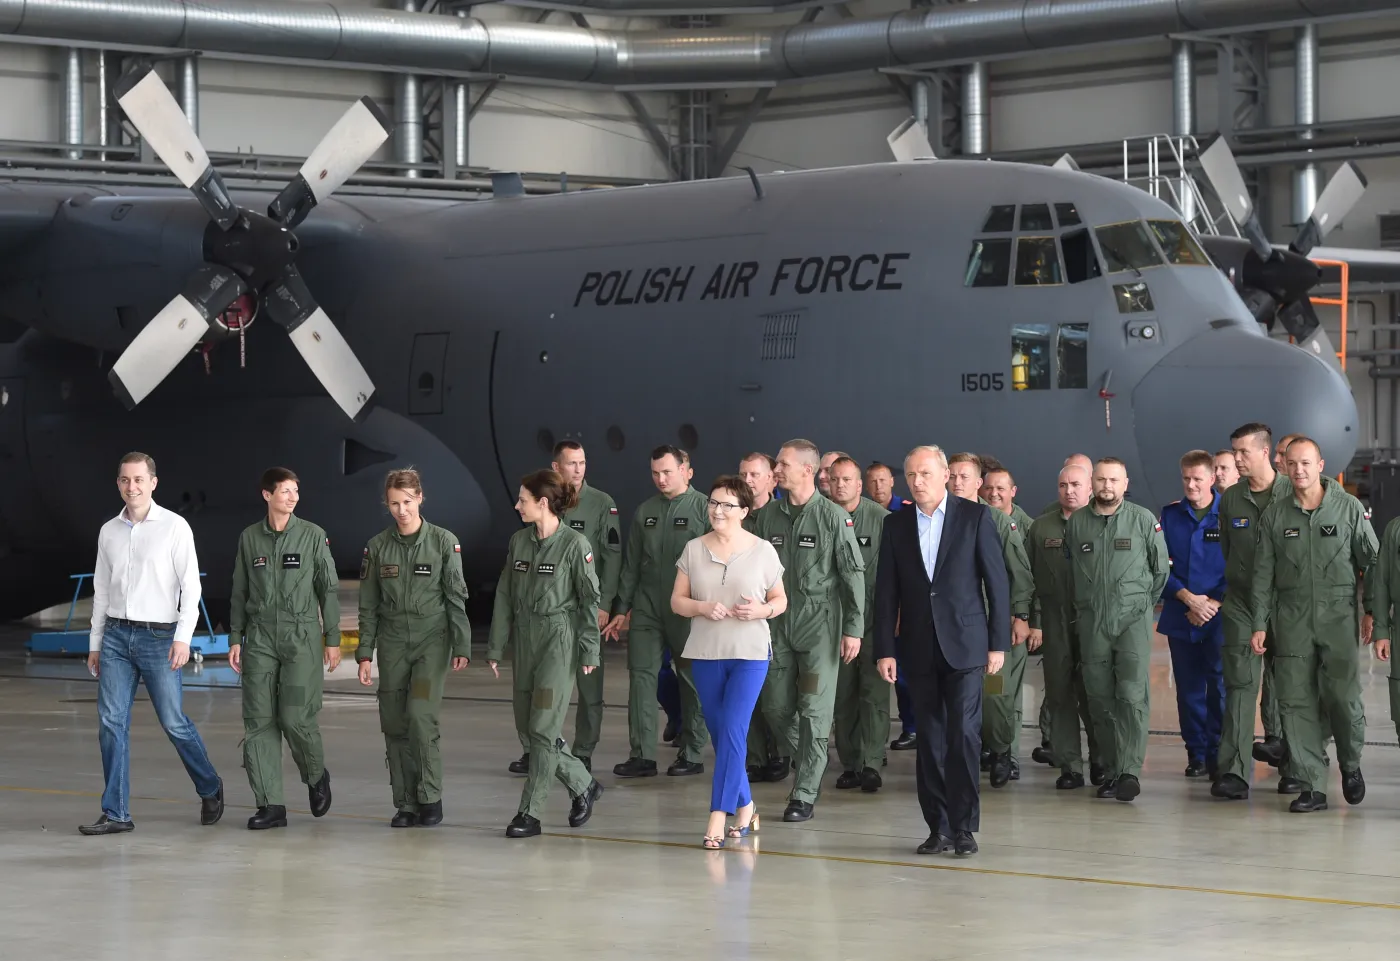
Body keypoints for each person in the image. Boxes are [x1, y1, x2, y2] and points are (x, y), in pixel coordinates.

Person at [874, 445, 1009, 857]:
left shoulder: (976, 517)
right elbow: (886, 593)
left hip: (966, 646)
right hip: (917, 648)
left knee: (963, 735)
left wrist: (997, 642)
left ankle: (965, 827)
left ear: (946, 474)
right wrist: (885, 649)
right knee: (929, 740)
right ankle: (939, 826)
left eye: (925, 474)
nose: (917, 481)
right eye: (911, 475)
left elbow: (997, 584)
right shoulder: (895, 525)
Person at [80, 452, 224, 835]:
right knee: (110, 722)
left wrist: (182, 638)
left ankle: (210, 786)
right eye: (126, 480)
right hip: (115, 636)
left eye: (139, 480)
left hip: (160, 638)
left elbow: (191, 587)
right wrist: (95, 642)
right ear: (118, 484)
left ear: (153, 483)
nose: (132, 487)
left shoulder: (175, 527)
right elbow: (100, 590)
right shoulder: (108, 531)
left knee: (173, 722)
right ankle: (116, 813)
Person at [1248, 437, 1375, 813]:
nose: (1299, 470)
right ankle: (1312, 784)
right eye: (1292, 464)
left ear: (1321, 465)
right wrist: (1259, 622)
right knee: (1295, 703)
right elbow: (1262, 575)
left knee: (1344, 700)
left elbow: (1374, 561)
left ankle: (1350, 766)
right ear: (1284, 467)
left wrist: (1372, 612)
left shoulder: (1348, 508)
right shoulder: (1275, 516)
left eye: (1306, 463)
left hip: (1338, 621)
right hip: (1291, 621)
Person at [487, 470, 606, 838]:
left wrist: (589, 648)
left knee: (542, 728)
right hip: (525, 638)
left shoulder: (575, 545)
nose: (517, 505)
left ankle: (530, 812)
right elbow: (505, 594)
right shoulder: (518, 542)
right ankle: (583, 783)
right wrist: (495, 645)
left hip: (559, 639)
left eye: (522, 499)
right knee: (528, 728)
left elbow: (589, 600)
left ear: (542, 503)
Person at [752, 439, 865, 822]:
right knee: (775, 707)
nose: (776, 469)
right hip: (777, 622)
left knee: (814, 711)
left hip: (821, 625)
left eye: (782, 464)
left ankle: (803, 792)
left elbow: (853, 573)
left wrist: (853, 627)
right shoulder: (768, 517)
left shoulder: (833, 517)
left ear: (806, 470)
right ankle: (813, 754)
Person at [671, 475, 787, 848]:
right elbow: (677, 601)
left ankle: (717, 818)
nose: (718, 511)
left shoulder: (763, 550)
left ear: (744, 511)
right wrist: (703, 607)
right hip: (705, 653)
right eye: (713, 503)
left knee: (735, 730)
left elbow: (781, 599)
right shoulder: (693, 549)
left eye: (727, 505)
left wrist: (763, 609)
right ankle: (748, 807)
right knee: (723, 737)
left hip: (750, 654)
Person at [355, 468, 471, 827]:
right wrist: (363, 653)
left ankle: (430, 796)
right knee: (394, 724)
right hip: (391, 647)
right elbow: (368, 605)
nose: (401, 510)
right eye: (394, 504)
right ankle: (405, 802)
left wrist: (461, 643)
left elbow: (456, 596)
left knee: (420, 717)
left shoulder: (442, 542)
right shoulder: (377, 548)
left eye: (407, 502)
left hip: (430, 643)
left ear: (420, 498)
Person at [228, 467, 340, 830]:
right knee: (258, 722)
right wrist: (235, 638)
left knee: (294, 717)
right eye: (285, 491)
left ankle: (315, 774)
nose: (292, 497)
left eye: (295, 491)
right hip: (260, 640)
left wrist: (333, 639)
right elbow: (240, 591)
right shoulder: (250, 539)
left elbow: (329, 589)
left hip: (300, 640)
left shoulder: (312, 536)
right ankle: (270, 804)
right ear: (267, 495)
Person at [508, 441, 621, 776]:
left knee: (588, 688)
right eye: (571, 463)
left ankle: (583, 751)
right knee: (534, 693)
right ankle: (535, 750)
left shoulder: (602, 504)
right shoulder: (543, 499)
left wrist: (604, 604)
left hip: (583, 613)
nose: (578, 469)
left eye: (582, 462)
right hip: (546, 617)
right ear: (556, 467)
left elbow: (611, 558)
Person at [1066, 457, 1168, 803]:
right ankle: (1110, 769)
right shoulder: (1078, 523)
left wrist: (1137, 606)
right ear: (1092, 483)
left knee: (1131, 695)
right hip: (1092, 623)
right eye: (1101, 480)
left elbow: (1160, 572)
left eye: (1114, 480)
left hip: (1131, 623)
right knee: (1099, 698)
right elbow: (1070, 571)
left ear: (1125, 484)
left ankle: (1129, 771)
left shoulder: (1142, 520)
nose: (1107, 486)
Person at [606, 445, 710, 778]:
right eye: (655, 473)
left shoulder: (705, 508)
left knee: (692, 681)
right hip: (649, 608)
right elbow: (632, 563)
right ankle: (642, 755)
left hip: (689, 609)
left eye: (667, 472)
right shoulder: (645, 511)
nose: (660, 479)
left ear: (686, 471)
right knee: (640, 677)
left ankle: (692, 752)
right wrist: (621, 608)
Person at [1212, 423, 1299, 800]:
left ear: (1265, 453)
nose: (1236, 459)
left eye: (1244, 452)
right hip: (1243, 603)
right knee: (1239, 686)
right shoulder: (1231, 499)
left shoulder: (1293, 491)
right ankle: (1233, 771)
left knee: (1294, 688)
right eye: (1234, 452)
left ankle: (1297, 767)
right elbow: (1229, 552)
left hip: (1287, 603)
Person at [947, 452, 1032, 788]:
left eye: (964, 477)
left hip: (993, 625)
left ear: (978, 483)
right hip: (954, 627)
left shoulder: (995, 521)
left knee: (996, 696)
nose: (956, 482)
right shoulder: (936, 521)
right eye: (951, 475)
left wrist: (1021, 616)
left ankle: (1001, 752)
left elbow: (1020, 575)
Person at [1026, 463, 1102, 789]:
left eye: (1075, 484)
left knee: (1096, 695)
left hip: (1094, 624)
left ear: (1090, 488)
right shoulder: (1041, 528)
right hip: (1056, 624)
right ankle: (1070, 765)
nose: (1069, 491)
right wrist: (1034, 621)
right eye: (1063, 485)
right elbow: (1027, 580)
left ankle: (1102, 762)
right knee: (1060, 697)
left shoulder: (1104, 524)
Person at [1158, 451, 1227, 780]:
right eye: (1186, 478)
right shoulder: (1170, 516)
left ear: (1213, 478)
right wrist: (1188, 598)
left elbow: (1241, 563)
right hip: (1181, 613)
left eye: (1198, 478)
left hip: (1220, 616)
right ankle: (1196, 753)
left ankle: (1219, 752)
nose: (1191, 485)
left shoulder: (1229, 514)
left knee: (1220, 686)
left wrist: (1212, 602)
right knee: (1188, 690)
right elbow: (1160, 565)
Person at [827, 456, 891, 793]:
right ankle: (850, 763)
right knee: (843, 696)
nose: (840, 486)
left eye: (847, 480)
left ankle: (872, 762)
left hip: (874, 622)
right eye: (835, 480)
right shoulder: (822, 515)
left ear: (859, 484)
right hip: (833, 624)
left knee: (874, 695)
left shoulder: (882, 520)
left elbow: (894, 576)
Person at [739, 451, 788, 783]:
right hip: (741, 617)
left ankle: (782, 752)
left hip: (778, 617)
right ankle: (755, 757)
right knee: (747, 695)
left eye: (755, 475)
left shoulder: (781, 516)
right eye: (743, 474)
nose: (748, 481)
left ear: (772, 478)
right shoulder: (731, 516)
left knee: (775, 696)